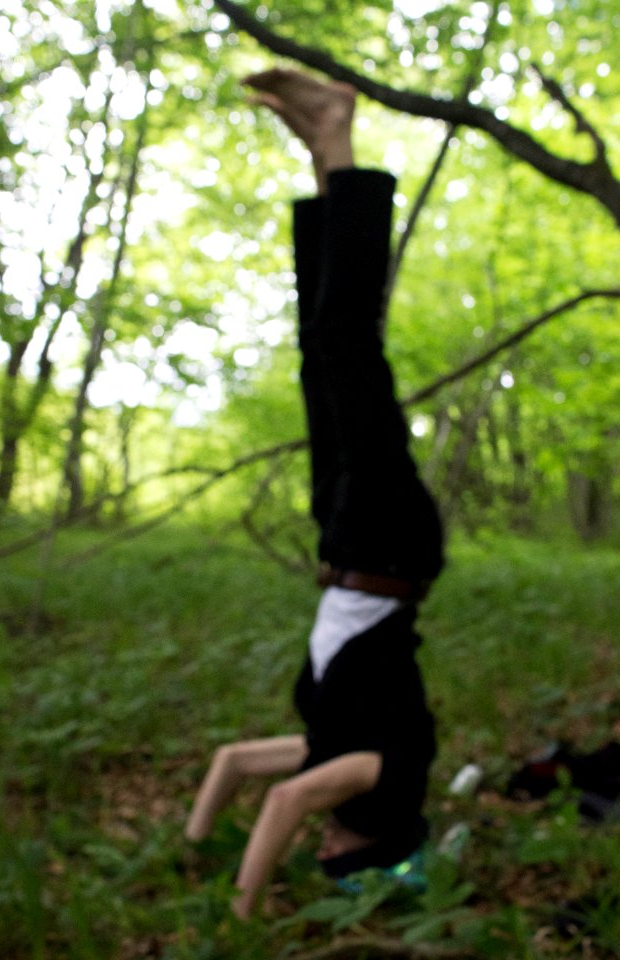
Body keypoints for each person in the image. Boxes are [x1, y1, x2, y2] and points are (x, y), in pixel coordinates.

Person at [185, 68, 445, 920]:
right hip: (389, 543)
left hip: (352, 544)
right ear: (380, 847)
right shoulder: (385, 781)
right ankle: (337, 136)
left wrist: (191, 852)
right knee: (345, 341)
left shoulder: (337, 750)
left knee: (319, 351)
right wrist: (242, 913)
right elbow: (289, 804)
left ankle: (321, 159)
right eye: (341, 863)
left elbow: (236, 764)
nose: (328, 852)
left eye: (325, 862)